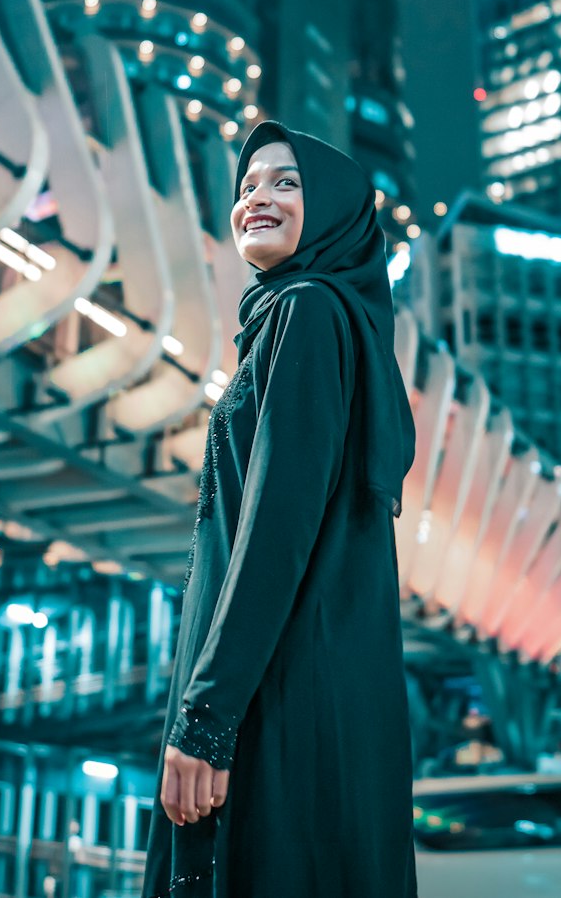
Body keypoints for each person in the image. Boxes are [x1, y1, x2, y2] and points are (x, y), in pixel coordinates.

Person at [142, 120, 418, 898]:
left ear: (333, 211)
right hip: (316, 688)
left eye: (287, 182)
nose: (257, 197)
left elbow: (274, 529)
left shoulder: (305, 312)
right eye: (247, 185)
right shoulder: (324, 321)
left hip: (276, 699)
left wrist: (206, 718)